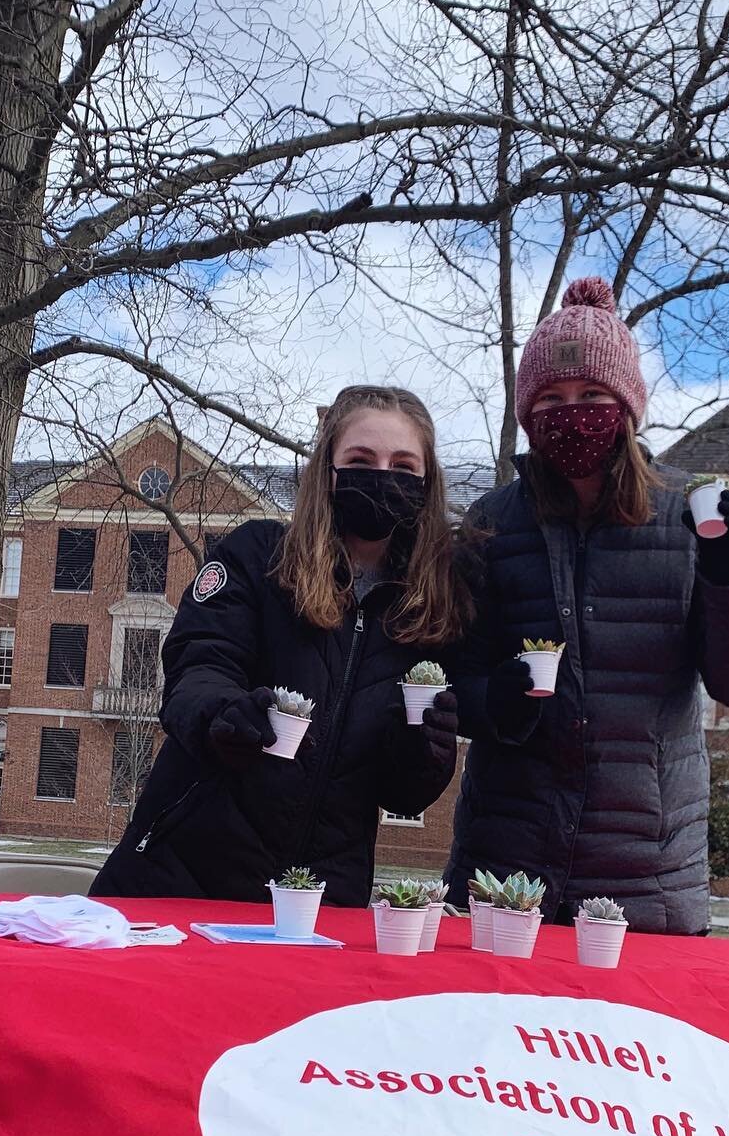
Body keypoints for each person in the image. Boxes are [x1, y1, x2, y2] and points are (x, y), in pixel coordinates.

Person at [445, 276, 729, 935]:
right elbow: (451, 679)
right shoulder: (490, 523)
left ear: (626, 408)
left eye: (592, 395)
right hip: (506, 872)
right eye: (553, 399)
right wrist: (493, 701)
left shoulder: (688, 514)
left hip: (647, 881)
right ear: (527, 412)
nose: (573, 412)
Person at [92, 386, 469, 907]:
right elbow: (198, 663)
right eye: (361, 459)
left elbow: (400, 793)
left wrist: (427, 754)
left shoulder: (427, 609)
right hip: (182, 879)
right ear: (328, 470)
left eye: (403, 466)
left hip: (319, 903)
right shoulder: (256, 555)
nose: (383, 477)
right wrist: (223, 716)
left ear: (426, 484)